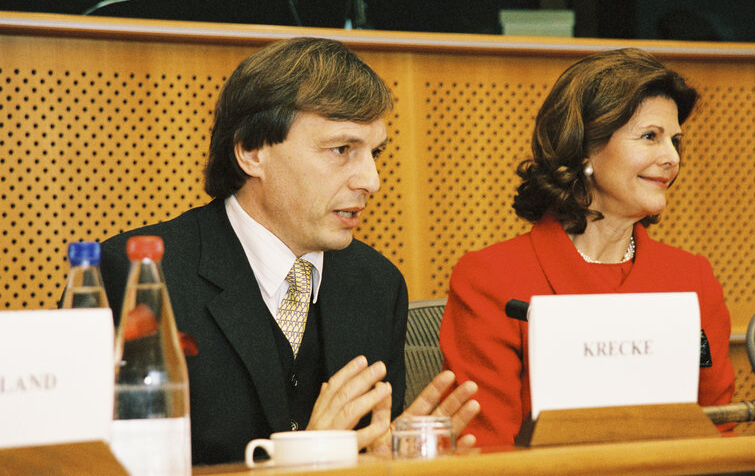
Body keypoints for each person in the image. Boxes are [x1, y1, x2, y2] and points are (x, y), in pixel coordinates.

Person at [99, 37, 479, 464]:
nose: (370, 181)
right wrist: (304, 460)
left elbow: (367, 452)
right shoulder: (137, 277)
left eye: (374, 153)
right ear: (251, 151)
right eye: (342, 150)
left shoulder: (378, 285)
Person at [439, 48, 735, 447]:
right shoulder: (491, 278)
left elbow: (716, 433)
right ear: (584, 148)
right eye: (651, 136)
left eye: (675, 141)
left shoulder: (692, 277)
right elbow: (487, 448)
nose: (672, 157)